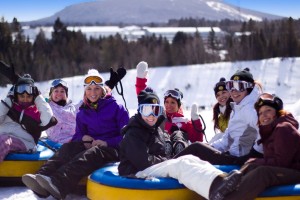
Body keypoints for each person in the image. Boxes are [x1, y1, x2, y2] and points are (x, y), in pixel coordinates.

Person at [22, 69, 130, 199]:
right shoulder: (82, 112)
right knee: (69, 147)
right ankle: (41, 176)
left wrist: (107, 142)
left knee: (92, 153)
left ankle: (59, 184)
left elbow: (127, 135)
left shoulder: (116, 107)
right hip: (92, 145)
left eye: (96, 88)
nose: (93, 93)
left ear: (102, 90)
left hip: (113, 149)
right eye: (89, 89)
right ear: (85, 91)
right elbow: (78, 135)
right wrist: (83, 138)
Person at [118, 88, 242, 200]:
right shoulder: (133, 133)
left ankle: (221, 179)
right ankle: (215, 188)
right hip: (137, 171)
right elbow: (143, 161)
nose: (151, 115)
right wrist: (167, 160)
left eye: (156, 110)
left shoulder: (154, 129)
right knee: (180, 164)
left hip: (151, 166)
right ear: (139, 111)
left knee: (190, 158)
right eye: (146, 110)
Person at [174, 68, 264, 165]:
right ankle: (169, 167)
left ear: (249, 87)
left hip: (238, 160)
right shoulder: (238, 108)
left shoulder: (250, 109)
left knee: (196, 148)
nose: (234, 91)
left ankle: (166, 168)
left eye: (239, 86)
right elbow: (227, 140)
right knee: (198, 150)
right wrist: (209, 146)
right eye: (231, 86)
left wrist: (252, 156)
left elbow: (264, 133)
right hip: (232, 155)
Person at [221, 93, 300, 200]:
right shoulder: (269, 131)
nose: (263, 115)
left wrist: (258, 161)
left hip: (296, 172)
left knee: (262, 173)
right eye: (260, 113)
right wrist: (253, 163)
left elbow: (282, 163)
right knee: (251, 166)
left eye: (268, 110)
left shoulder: (283, 128)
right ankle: (223, 191)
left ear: (277, 113)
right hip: (287, 170)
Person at [135, 61, 204, 156]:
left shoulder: (185, 122)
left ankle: (179, 148)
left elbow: (198, 140)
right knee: (164, 135)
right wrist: (141, 79)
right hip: (160, 149)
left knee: (178, 134)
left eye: (173, 103)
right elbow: (145, 99)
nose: (169, 105)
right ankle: (166, 148)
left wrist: (196, 121)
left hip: (181, 153)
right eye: (166, 102)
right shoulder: (159, 116)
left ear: (179, 105)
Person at [0, 74, 57, 162]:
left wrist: (38, 97)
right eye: (22, 96)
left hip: (24, 142)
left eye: (29, 97)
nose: (25, 99)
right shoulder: (8, 107)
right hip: (3, 136)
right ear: (16, 96)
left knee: (4, 141)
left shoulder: (36, 112)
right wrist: (8, 100)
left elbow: (48, 120)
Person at [44, 79, 78, 144]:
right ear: (51, 94)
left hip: (76, 141)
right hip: (58, 144)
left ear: (66, 95)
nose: (59, 94)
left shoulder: (73, 107)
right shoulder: (47, 107)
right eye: (56, 91)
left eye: (62, 91)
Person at [209, 77, 233, 144]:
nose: (221, 96)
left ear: (230, 93)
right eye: (218, 95)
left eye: (224, 92)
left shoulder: (235, 109)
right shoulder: (220, 117)